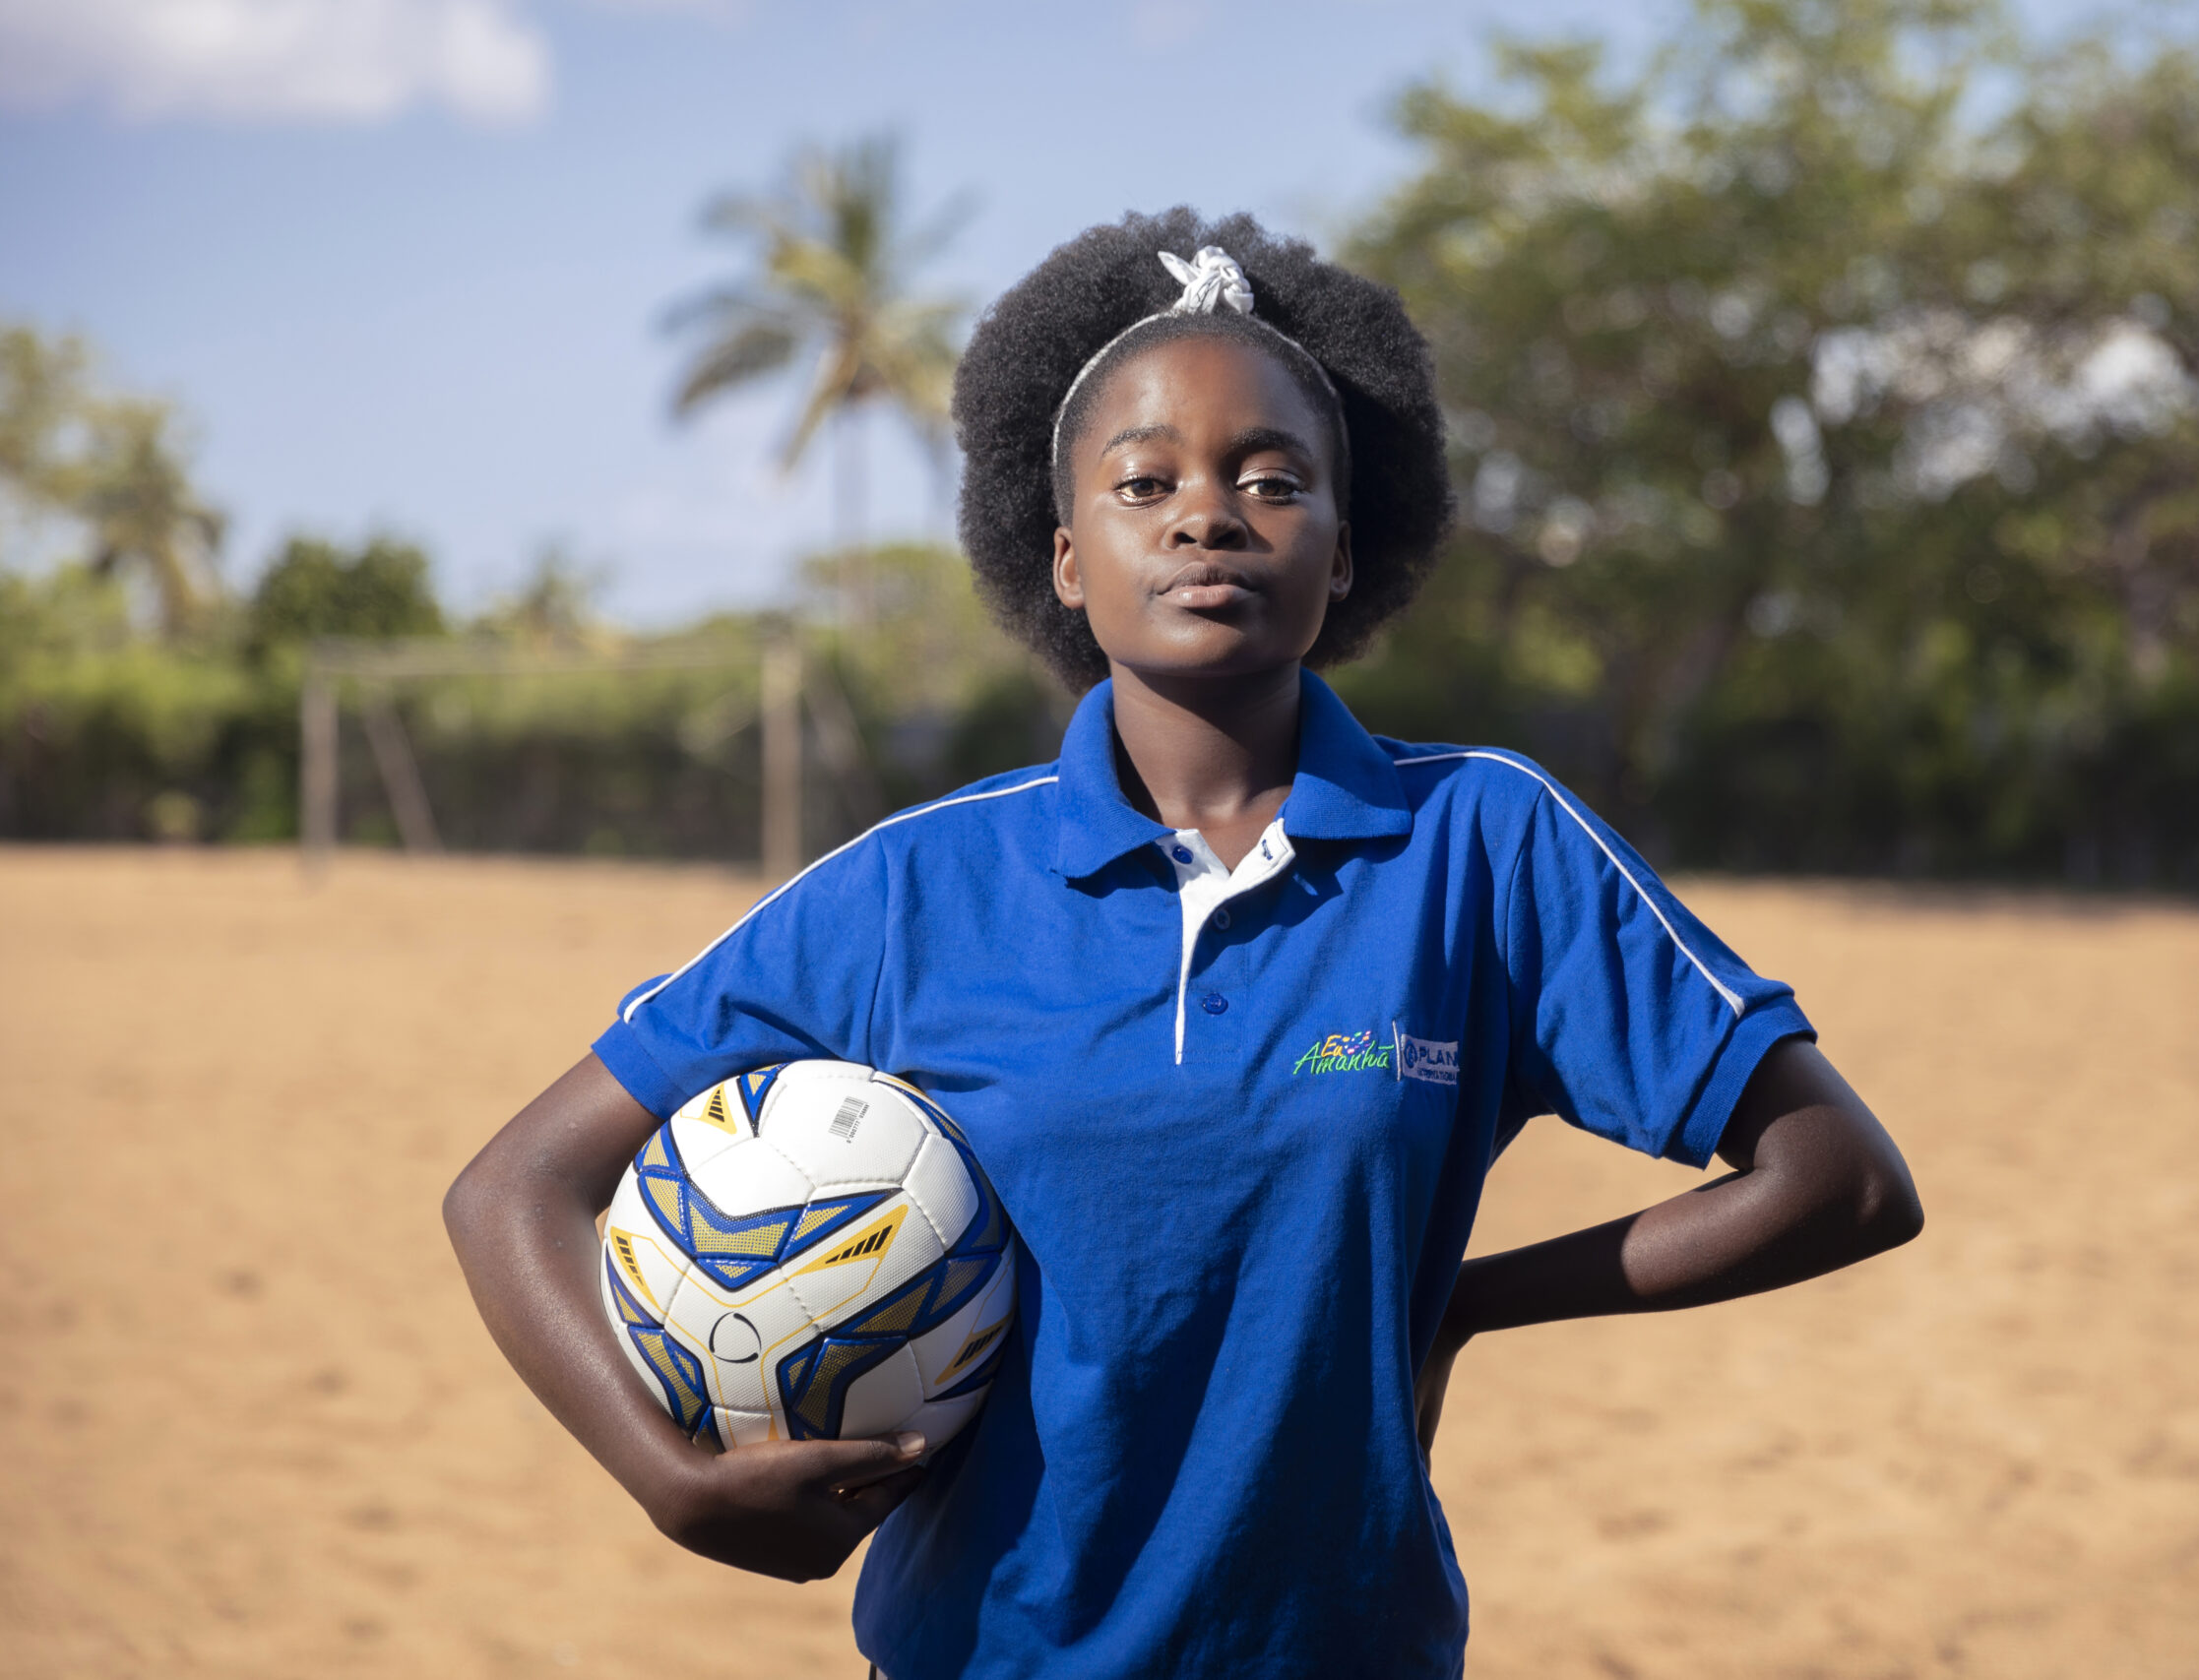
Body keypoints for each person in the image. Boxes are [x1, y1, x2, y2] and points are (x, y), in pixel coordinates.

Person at [443, 210, 1921, 1680]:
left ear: (1348, 550)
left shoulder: (1488, 842)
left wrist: (1462, 1302)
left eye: (1274, 480)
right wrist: (669, 1478)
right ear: (1068, 559)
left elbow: (1839, 1181)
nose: (1207, 514)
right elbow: (514, 1185)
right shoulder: (913, 888)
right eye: (1145, 482)